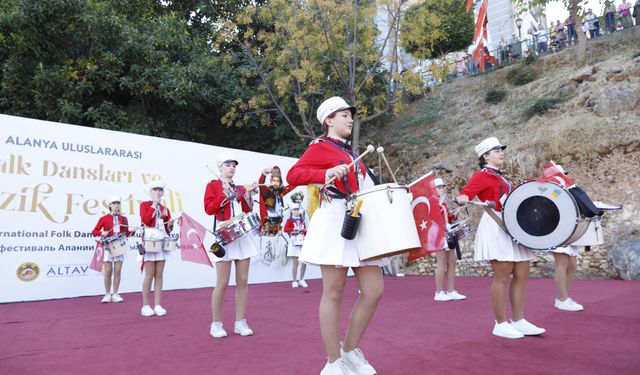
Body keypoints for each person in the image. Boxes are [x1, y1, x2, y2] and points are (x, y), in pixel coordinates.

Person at [287, 96, 385, 374]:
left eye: (351, 115)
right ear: (328, 120)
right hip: (333, 221)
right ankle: (333, 362)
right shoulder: (319, 147)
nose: (350, 119)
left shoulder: (353, 154)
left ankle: (350, 350)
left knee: (374, 290)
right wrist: (326, 172)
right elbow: (293, 175)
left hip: (359, 219)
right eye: (344, 115)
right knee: (333, 292)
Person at [456, 137, 545, 339]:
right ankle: (500, 323)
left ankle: (519, 320)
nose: (501, 152)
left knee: (522, 273)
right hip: (496, 226)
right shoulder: (481, 175)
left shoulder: (501, 177)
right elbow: (466, 193)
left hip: (512, 226)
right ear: (485, 156)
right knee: (502, 276)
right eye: (496, 150)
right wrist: (462, 198)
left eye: (501, 149)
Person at [204, 152, 260, 338]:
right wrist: (225, 196)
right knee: (222, 282)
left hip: (241, 235)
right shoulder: (212, 186)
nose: (232, 167)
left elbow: (247, 210)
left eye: (234, 165)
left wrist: (248, 195)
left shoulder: (239, 187)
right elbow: (209, 208)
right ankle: (216, 324)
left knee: (243, 280)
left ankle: (240, 322)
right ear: (220, 167)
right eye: (228, 164)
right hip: (223, 236)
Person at [139, 181, 174, 317]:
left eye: (160, 190)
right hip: (149, 240)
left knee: (159, 274)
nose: (158, 192)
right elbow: (146, 220)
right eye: (155, 190)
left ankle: (158, 304)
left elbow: (167, 229)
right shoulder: (144, 205)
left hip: (161, 241)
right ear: (150, 191)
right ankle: (145, 305)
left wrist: (170, 224)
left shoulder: (165, 208)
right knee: (149, 274)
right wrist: (153, 205)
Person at [91, 195, 134, 303]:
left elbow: (127, 234)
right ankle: (107, 294)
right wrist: (102, 232)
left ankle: (115, 293)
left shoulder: (124, 219)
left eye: (118, 203)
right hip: (108, 248)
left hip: (120, 247)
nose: (116, 205)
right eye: (114, 203)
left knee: (118, 271)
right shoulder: (104, 218)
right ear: (109, 205)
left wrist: (133, 231)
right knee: (108, 272)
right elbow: (94, 232)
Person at [433, 178, 466, 302]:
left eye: (442, 187)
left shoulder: (443, 202)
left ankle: (451, 290)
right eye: (439, 187)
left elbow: (448, 218)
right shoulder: (432, 201)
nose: (442, 189)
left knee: (452, 261)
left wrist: (456, 213)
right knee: (441, 263)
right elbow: (434, 218)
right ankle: (439, 292)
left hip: (448, 233)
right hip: (439, 235)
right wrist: (440, 204)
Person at [258, 166, 295, 235]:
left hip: (277, 225)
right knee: (267, 244)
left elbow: (290, 187)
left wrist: (300, 180)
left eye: (277, 181)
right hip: (267, 226)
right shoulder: (266, 191)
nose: (275, 182)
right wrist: (263, 174)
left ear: (280, 182)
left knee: (276, 245)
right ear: (271, 181)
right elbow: (261, 183)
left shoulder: (280, 193)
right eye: (274, 180)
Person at [283, 203, 308, 288]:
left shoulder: (302, 219)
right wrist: (294, 229)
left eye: (297, 209)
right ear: (291, 211)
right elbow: (285, 229)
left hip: (302, 241)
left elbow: (305, 230)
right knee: (295, 262)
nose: (296, 211)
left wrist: (304, 230)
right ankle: (294, 280)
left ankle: (301, 279)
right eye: (294, 210)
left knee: (304, 261)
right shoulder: (289, 220)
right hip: (294, 242)